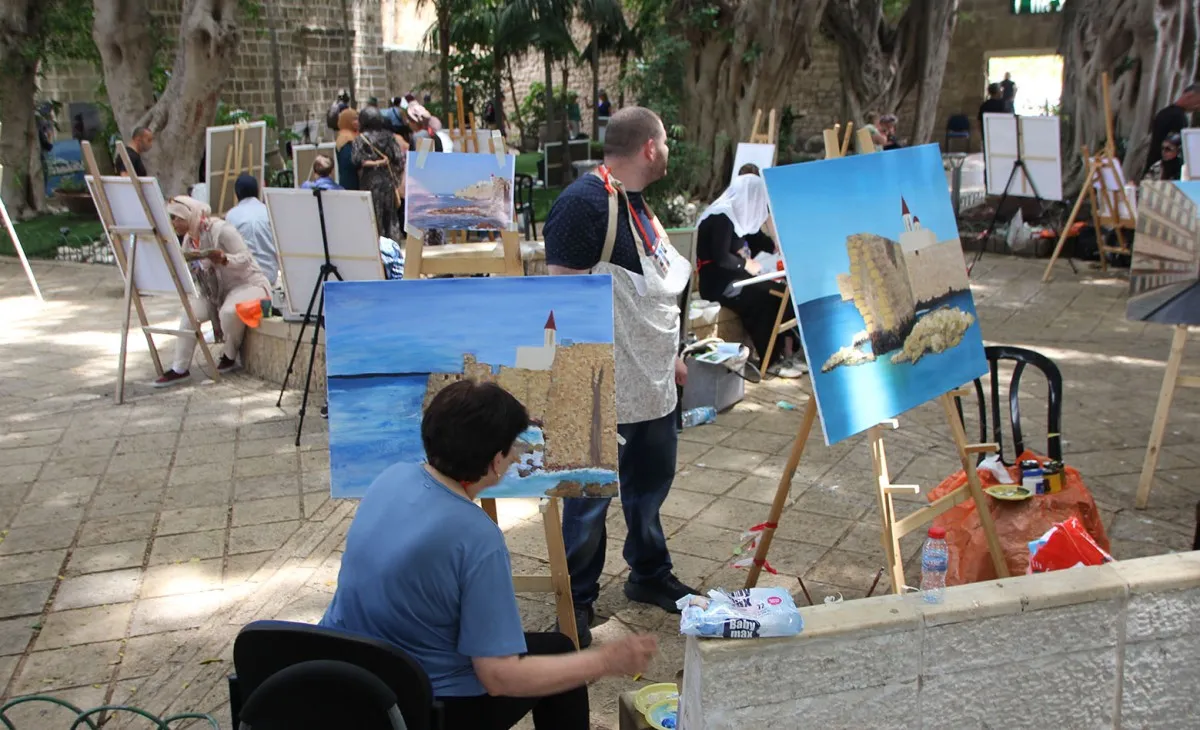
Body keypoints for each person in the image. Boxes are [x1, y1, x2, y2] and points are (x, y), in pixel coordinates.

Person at [319, 380, 657, 730]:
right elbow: (499, 676)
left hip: (344, 675)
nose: (517, 456)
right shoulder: (476, 536)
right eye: (513, 448)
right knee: (561, 662)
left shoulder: (391, 477)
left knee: (555, 645)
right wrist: (604, 661)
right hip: (414, 707)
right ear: (496, 461)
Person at [544, 106, 697, 648]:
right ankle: (578, 599)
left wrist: (670, 356)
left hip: (652, 382)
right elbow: (563, 302)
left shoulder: (634, 201)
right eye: (665, 143)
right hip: (603, 384)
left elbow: (651, 291)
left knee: (649, 487)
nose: (667, 151)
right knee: (588, 499)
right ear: (650, 147)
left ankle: (648, 573)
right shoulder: (582, 205)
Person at [155, 196, 272, 387]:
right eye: (172, 218)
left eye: (177, 218)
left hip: (248, 284)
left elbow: (245, 259)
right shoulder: (189, 240)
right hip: (216, 293)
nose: (174, 223)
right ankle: (179, 368)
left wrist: (224, 259)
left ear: (188, 215)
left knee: (229, 312)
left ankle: (229, 355)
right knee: (190, 313)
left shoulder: (221, 230)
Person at [696, 174, 803, 378]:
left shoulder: (740, 218)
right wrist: (746, 263)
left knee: (780, 293)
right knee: (764, 300)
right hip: (718, 284)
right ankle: (771, 361)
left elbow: (759, 241)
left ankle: (783, 353)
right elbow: (721, 257)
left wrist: (777, 247)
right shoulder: (721, 217)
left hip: (738, 279)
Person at [353, 106, 405, 241]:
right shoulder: (389, 137)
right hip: (387, 182)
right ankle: (392, 245)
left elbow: (356, 160)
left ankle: (376, 245)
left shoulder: (360, 139)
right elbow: (398, 158)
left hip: (369, 182)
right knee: (391, 217)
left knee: (373, 217)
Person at [223, 174, 279, 287]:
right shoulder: (269, 211)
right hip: (270, 275)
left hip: (244, 277)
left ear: (237, 193)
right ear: (257, 191)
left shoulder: (231, 215)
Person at [1144, 83, 1200, 177]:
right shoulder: (1178, 117)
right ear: (1189, 96)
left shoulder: (1163, 113)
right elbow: (1173, 148)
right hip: (1165, 173)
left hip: (1153, 167)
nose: (1198, 107)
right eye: (1198, 102)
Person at [335, 107, 360, 191]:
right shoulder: (345, 138)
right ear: (347, 121)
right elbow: (350, 161)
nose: (358, 122)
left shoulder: (354, 135)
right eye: (355, 119)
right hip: (350, 181)